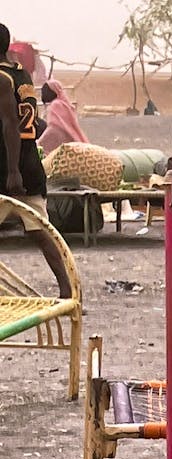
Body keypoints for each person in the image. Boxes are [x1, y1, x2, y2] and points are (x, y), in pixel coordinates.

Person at [0, 23, 71, 299]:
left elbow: (10, 125)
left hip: (9, 164)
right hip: (30, 161)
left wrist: (12, 171)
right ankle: (67, 289)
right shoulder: (22, 74)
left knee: (40, 230)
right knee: (41, 231)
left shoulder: (2, 79)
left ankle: (68, 290)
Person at [37, 79, 88, 155]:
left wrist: (40, 142)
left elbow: (54, 129)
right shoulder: (64, 104)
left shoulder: (55, 105)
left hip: (66, 147)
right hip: (74, 142)